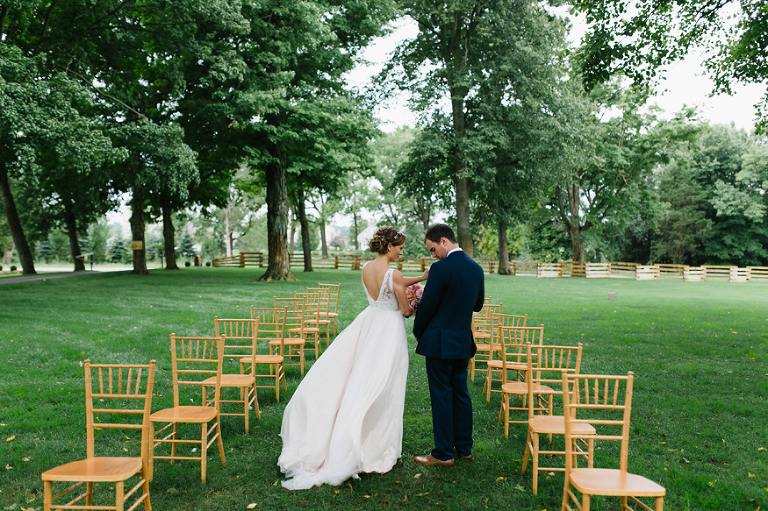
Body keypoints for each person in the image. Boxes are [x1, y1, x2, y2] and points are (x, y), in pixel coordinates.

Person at [278, 226, 428, 490]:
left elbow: (391, 282)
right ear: (390, 247)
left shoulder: (367, 268)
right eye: (401, 247)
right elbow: (403, 309)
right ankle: (375, 447)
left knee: (358, 376)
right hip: (388, 331)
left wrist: (419, 277)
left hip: (370, 323)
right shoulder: (394, 273)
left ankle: (346, 435)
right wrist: (416, 303)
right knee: (384, 386)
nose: (402, 251)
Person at [412, 223, 485, 467]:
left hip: (439, 343)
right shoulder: (476, 268)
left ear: (444, 241)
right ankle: (464, 448)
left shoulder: (440, 269)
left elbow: (428, 307)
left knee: (441, 396)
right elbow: (477, 305)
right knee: (461, 393)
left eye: (433, 249)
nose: (433, 255)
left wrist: (417, 331)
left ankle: (443, 453)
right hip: (463, 341)